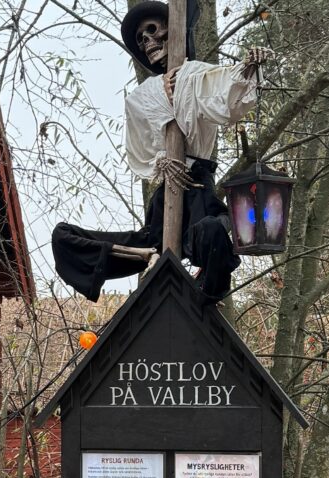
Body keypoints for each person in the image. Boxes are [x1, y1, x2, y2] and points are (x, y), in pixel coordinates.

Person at [52, 1, 274, 303]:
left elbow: (228, 92)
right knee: (63, 237)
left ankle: (203, 291)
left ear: (172, 31)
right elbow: (141, 151)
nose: (148, 43)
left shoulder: (197, 76)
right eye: (142, 39)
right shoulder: (141, 98)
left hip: (197, 189)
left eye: (153, 31)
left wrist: (250, 66)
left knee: (215, 233)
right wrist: (162, 161)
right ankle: (149, 255)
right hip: (164, 201)